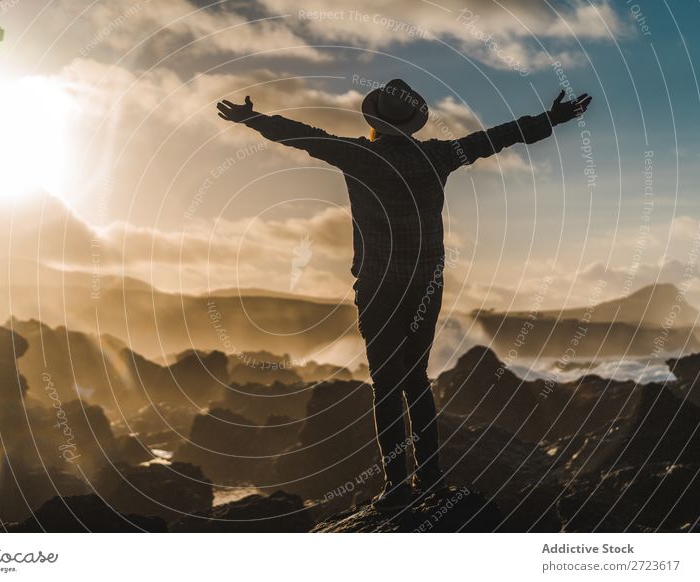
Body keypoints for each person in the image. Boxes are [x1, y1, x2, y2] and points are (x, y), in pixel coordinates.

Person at [217, 79, 591, 511]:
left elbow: (302, 136)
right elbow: (497, 138)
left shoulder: (359, 155)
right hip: (424, 285)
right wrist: (553, 118)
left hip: (377, 287)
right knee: (416, 381)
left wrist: (251, 118)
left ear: (374, 120)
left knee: (386, 385)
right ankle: (429, 479)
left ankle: (396, 488)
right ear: (414, 124)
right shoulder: (437, 156)